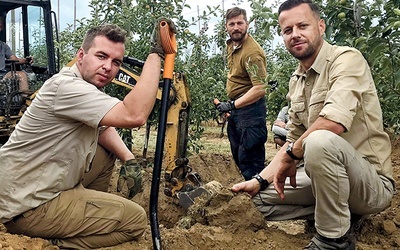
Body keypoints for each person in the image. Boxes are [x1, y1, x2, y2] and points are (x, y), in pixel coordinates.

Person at [232, 0, 394, 249]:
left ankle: (333, 240)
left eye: (302, 26)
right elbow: (290, 142)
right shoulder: (296, 81)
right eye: (287, 30)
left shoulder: (347, 59)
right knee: (254, 201)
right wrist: (258, 180)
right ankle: (338, 214)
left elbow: (332, 123)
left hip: (369, 185)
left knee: (319, 140)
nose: (295, 34)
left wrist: (291, 154)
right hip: (324, 179)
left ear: (321, 27)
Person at [0, 19, 176, 249]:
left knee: (106, 152)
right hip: (28, 206)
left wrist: (129, 158)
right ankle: (58, 242)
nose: (108, 67)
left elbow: (102, 128)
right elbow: (134, 115)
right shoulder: (67, 87)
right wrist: (156, 54)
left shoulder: (76, 84)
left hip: (33, 186)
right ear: (81, 55)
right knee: (135, 220)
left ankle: (84, 213)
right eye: (101, 56)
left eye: (116, 62)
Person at [214, 7, 268, 181]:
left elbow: (260, 88)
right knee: (238, 155)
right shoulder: (232, 45)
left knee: (250, 161)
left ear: (247, 24)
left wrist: (232, 105)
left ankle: (259, 203)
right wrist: (232, 105)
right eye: (232, 24)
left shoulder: (252, 53)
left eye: (239, 23)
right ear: (226, 27)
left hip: (251, 112)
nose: (236, 27)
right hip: (239, 109)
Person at [0, 17, 33, 92]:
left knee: (22, 75)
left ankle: (24, 101)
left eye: (0, 27)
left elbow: (15, 60)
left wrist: (26, 60)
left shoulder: (3, 45)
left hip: (2, 74)